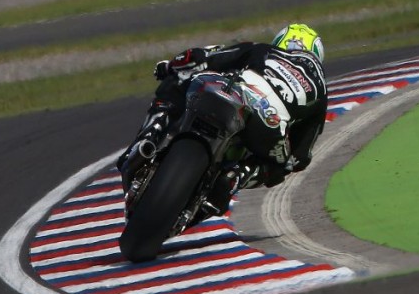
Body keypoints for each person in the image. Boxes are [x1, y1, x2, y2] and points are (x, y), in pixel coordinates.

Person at [118, 23, 328, 213]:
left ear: (281, 42)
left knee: (179, 80)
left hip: (237, 94)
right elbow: (301, 155)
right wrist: (283, 162)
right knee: (280, 166)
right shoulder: (321, 90)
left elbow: (205, 58)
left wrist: (169, 67)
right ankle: (236, 177)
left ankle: (151, 132)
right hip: (270, 123)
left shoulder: (264, 50)